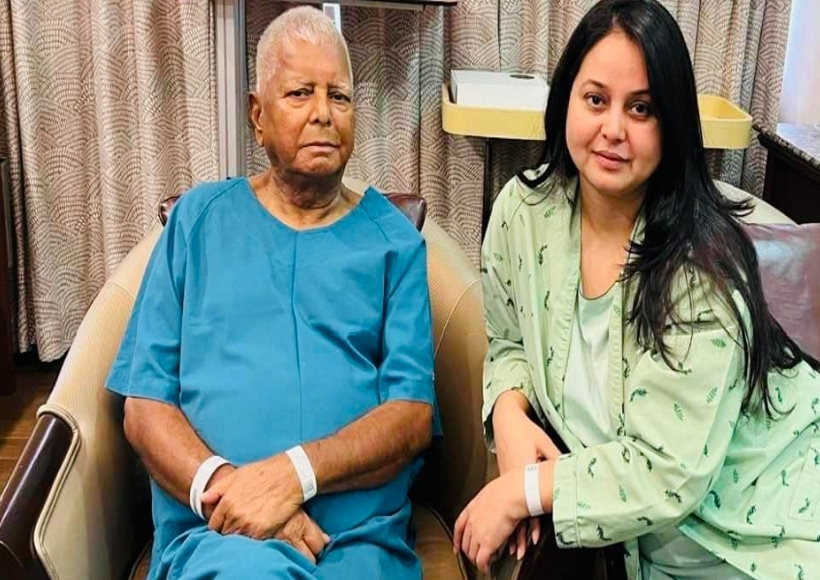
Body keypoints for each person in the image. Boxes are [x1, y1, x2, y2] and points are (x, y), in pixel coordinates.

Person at [453, 0, 820, 578]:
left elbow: (666, 472)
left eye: (641, 108)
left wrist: (523, 492)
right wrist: (508, 412)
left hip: (767, 525)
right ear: (566, 99)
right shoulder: (522, 214)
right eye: (595, 99)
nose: (613, 130)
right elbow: (508, 339)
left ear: (672, 125)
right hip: (638, 543)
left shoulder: (704, 270)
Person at [107, 7, 437, 579]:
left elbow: (411, 416)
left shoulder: (395, 243)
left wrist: (294, 475)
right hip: (221, 536)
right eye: (301, 93)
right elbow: (145, 406)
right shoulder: (196, 224)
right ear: (257, 116)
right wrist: (232, 491)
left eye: (339, 96)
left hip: (358, 541)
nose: (323, 113)